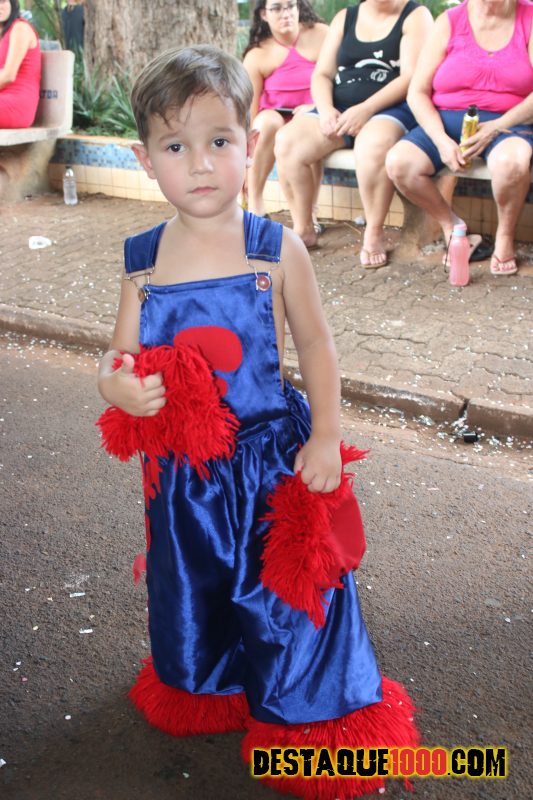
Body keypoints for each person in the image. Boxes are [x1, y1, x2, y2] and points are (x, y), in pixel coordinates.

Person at [97, 45, 419, 799]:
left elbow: (316, 346)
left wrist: (326, 436)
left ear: (251, 143)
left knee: (290, 598)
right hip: (183, 478)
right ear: (145, 160)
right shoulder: (142, 262)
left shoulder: (274, 250)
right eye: (175, 147)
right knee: (195, 586)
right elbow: (118, 353)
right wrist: (115, 386)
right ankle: (211, 685)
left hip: (271, 466)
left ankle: (313, 717)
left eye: (219, 140)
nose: (201, 164)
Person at [274, 0, 433, 265]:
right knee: (287, 141)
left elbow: (410, 77)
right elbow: (322, 74)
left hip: (391, 108)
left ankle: (373, 233)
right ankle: (303, 229)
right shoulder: (344, 18)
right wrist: (326, 109)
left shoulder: (415, 15)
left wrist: (366, 109)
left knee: (372, 144)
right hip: (339, 108)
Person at [386, 0, 533, 276]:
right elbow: (417, 92)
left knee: (511, 163)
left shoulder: (529, 18)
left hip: (509, 122)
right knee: (400, 163)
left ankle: (505, 237)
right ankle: (453, 227)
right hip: (446, 121)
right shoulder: (449, 20)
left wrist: (497, 126)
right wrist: (440, 140)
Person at [242, 0, 328, 218]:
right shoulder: (256, 55)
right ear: (264, 14)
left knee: (305, 129)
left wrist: (317, 106)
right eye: (277, 8)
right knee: (264, 123)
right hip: (274, 116)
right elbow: (250, 111)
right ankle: (255, 206)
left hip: (315, 113)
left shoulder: (322, 35)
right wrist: (243, 157)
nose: (286, 13)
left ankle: (310, 214)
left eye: (291, 6)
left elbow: (340, 79)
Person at [0, 0, 40, 129]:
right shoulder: (3, 34)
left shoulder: (20, 28)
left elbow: (8, 76)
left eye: (2, 1)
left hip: (17, 103)